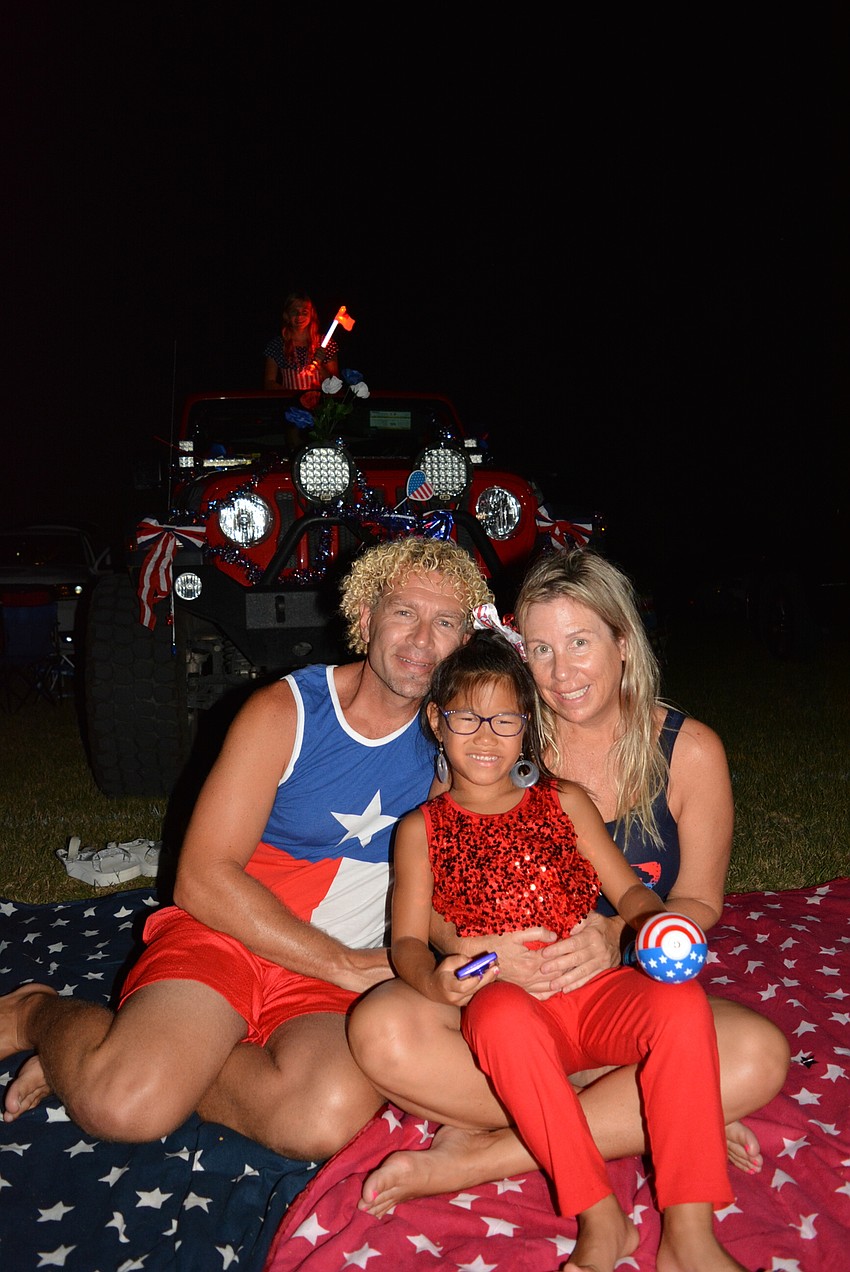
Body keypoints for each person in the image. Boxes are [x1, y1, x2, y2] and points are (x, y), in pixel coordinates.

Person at [0, 536, 494, 1160]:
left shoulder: (459, 741)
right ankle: (37, 1017)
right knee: (121, 1105)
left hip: (333, 979)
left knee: (321, 1120)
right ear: (365, 617)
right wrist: (343, 963)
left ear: (464, 641)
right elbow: (200, 880)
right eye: (404, 613)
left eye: (445, 622)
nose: (422, 640)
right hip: (228, 936)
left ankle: (151, 1058)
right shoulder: (286, 712)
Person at [348, 547, 790, 1212]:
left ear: (622, 642)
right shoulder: (500, 739)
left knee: (757, 1055)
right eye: (542, 649)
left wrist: (618, 935)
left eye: (579, 642)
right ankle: (653, 1111)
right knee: (380, 1029)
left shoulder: (689, 752)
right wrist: (483, 951)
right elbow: (434, 903)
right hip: (511, 996)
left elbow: (697, 901)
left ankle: (491, 1152)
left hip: (622, 997)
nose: (561, 672)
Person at [389, 629, 744, 1271]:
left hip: (596, 992)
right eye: (467, 718)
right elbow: (408, 942)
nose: (486, 736)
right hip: (517, 1006)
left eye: (505, 720)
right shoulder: (422, 830)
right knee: (495, 1018)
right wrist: (436, 981)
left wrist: (648, 927)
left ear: (528, 726)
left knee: (683, 1007)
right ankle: (600, 1217)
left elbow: (630, 891)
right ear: (437, 722)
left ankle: (690, 1236)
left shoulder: (564, 802)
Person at [263, 290, 340, 390]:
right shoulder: (277, 345)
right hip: (289, 404)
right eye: (294, 311)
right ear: (286, 315)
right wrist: (294, 397)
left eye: (304, 311)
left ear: (311, 314)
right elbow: (269, 383)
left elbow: (336, 384)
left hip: (322, 404)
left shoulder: (326, 343)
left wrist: (320, 366)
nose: (299, 316)